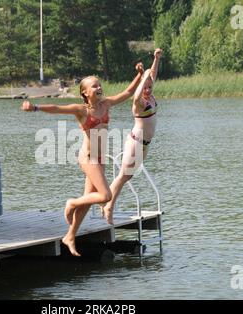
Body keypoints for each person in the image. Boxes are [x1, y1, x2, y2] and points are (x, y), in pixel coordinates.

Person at [21, 63, 144, 256]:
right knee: (105, 196)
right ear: (85, 93)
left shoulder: (106, 104)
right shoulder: (82, 110)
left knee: (88, 201)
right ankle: (72, 203)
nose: (99, 87)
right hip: (88, 158)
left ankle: (70, 236)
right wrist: (36, 107)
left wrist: (139, 75)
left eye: (99, 84)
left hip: (100, 158)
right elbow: (57, 108)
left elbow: (128, 92)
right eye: (94, 86)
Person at [101, 48, 162, 225]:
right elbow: (136, 95)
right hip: (136, 142)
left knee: (127, 176)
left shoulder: (150, 95)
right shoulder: (139, 103)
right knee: (122, 176)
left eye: (150, 87)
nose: (148, 89)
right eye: (146, 87)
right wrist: (142, 78)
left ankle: (104, 201)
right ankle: (107, 206)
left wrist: (155, 60)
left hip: (145, 144)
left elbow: (153, 75)